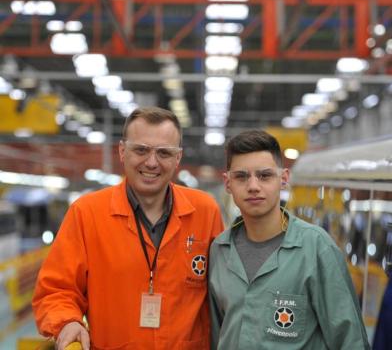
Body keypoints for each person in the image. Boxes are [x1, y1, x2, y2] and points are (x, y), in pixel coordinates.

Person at [33, 106, 224, 350]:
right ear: (122, 152)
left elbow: (226, 291)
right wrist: (67, 322)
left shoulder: (205, 211)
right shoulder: (87, 213)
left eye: (164, 153)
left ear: (178, 159)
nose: (152, 162)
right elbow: (56, 290)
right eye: (141, 150)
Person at [208, 129, 370, 349]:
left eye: (264, 175)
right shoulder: (220, 250)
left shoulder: (316, 248)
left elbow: (350, 341)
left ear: (283, 179)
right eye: (241, 176)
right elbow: (217, 334)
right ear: (228, 183)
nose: (253, 186)